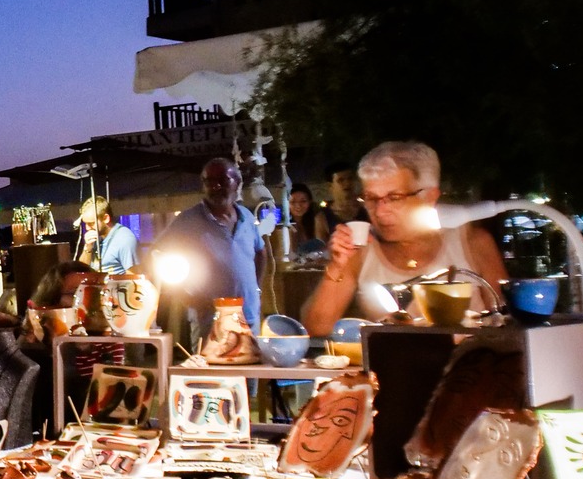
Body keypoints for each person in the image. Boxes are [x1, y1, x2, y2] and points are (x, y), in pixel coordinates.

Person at [300, 140, 509, 335]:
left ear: (429, 196)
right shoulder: (360, 250)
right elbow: (316, 328)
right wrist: (336, 267)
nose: (380, 212)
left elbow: (507, 325)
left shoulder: (472, 243)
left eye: (394, 198)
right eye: (371, 198)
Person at [151, 158, 268, 339]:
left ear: (237, 183)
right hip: (209, 323)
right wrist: (185, 296)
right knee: (211, 367)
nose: (216, 187)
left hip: (248, 318)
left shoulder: (246, 216)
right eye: (209, 182)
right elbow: (157, 254)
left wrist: (256, 288)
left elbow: (260, 252)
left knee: (251, 366)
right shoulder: (188, 220)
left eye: (223, 180)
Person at [76, 195, 139, 273]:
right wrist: (87, 249)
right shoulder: (96, 238)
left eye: (91, 223)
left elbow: (134, 277)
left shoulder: (125, 239)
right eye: (85, 224)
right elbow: (81, 270)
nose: (87, 228)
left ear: (106, 218)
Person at [286, 183, 335, 249]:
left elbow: (323, 247)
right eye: (293, 202)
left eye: (303, 201)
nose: (298, 205)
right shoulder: (282, 226)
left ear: (310, 202)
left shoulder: (318, 220)